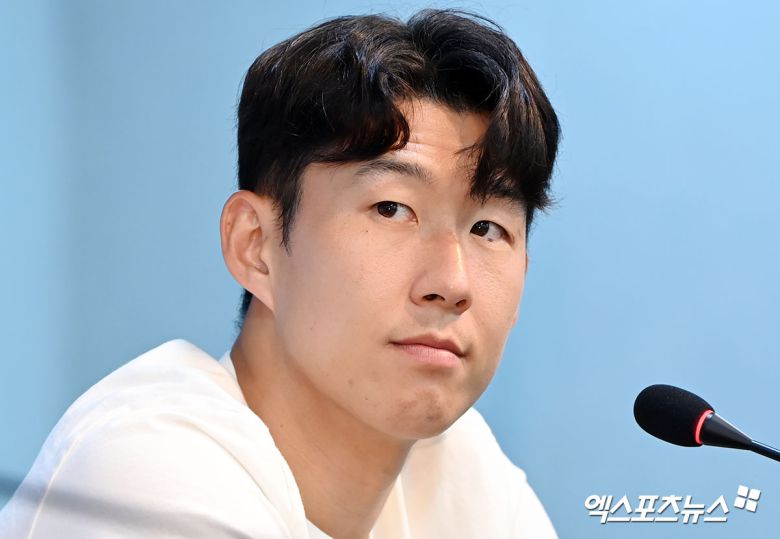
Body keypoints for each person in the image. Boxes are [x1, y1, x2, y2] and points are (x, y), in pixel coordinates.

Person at [0, 9, 560, 538]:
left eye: (487, 228)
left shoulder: (463, 472)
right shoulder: (148, 467)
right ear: (255, 246)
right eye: (391, 208)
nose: (452, 283)